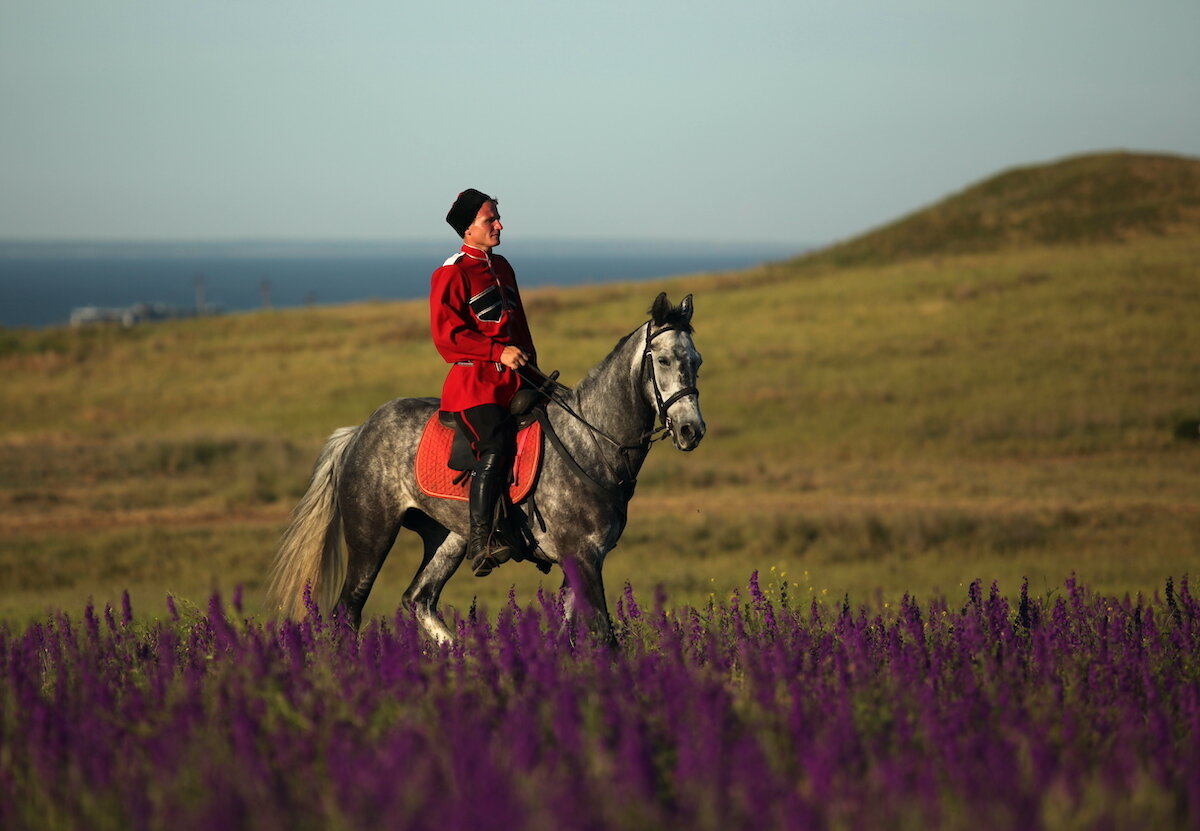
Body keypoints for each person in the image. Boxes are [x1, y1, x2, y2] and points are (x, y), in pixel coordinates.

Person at [429, 189, 537, 577]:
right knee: (496, 443)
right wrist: (496, 352)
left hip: (515, 381)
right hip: (473, 387)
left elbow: (520, 329)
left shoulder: (503, 267)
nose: (499, 225)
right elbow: (447, 337)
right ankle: (481, 540)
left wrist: (534, 372)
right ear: (468, 229)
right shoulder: (452, 273)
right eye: (490, 219)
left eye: (497, 217)